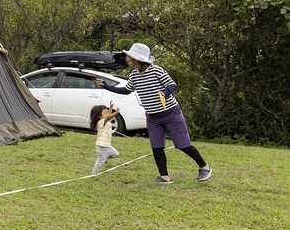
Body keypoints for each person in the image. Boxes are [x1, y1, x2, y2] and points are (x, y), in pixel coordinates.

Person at [96, 43, 212, 184]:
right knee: (156, 146)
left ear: (139, 58)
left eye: (131, 56)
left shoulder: (156, 71)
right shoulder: (134, 75)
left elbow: (172, 85)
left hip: (171, 113)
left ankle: (204, 167)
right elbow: (126, 90)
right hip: (152, 116)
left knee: (182, 144)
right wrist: (106, 86)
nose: (129, 58)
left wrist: (165, 93)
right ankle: (164, 177)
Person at [89, 103, 121, 176]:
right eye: (105, 112)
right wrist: (115, 113)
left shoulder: (105, 121)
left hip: (107, 145)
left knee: (116, 154)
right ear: (99, 116)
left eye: (107, 112)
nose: (108, 114)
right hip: (102, 146)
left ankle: (104, 157)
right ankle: (94, 174)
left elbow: (107, 117)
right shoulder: (101, 122)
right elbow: (108, 117)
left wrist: (110, 108)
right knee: (100, 162)